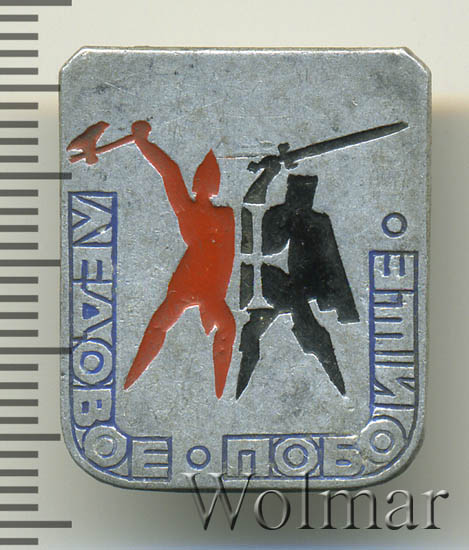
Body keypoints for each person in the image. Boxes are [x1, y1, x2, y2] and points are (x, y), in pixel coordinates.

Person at [122, 121, 236, 398]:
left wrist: (142, 142)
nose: (206, 186)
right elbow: (169, 171)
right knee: (161, 325)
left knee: (167, 325)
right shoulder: (198, 211)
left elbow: (228, 255)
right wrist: (143, 143)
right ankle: (134, 373)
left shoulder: (212, 214)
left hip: (202, 284)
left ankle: (219, 386)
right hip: (195, 283)